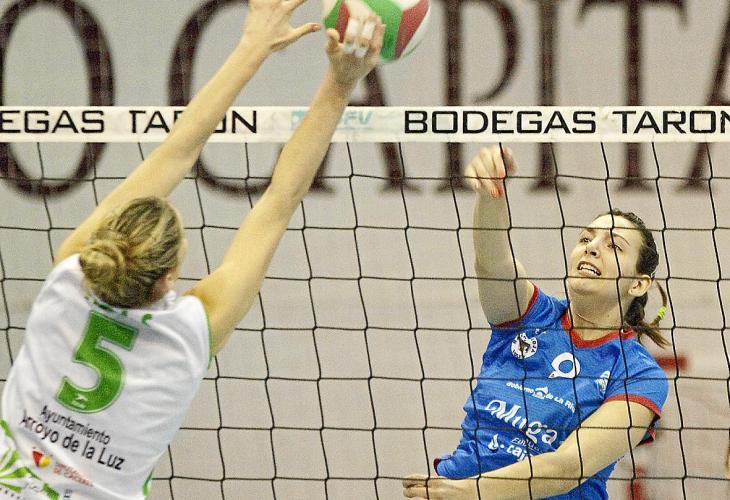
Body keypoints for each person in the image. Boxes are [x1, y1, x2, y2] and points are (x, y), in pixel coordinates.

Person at [0, 1, 384, 498]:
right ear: (168, 279)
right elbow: (280, 200)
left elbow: (176, 151)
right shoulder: (189, 333)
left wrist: (252, 47)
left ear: (107, 238)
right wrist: (341, 81)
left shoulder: (69, 277)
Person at [403, 146, 670, 500]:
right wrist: (492, 191)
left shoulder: (640, 374)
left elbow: (569, 466)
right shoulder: (531, 314)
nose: (591, 247)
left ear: (638, 284)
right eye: (585, 238)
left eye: (613, 246)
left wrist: (468, 491)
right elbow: (493, 260)